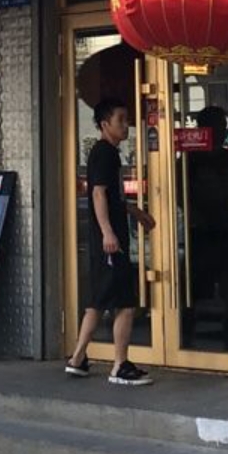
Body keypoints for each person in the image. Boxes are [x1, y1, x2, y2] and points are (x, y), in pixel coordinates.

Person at [65, 97, 157, 386]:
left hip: (108, 239)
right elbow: (97, 194)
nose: (126, 125)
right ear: (105, 124)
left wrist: (134, 211)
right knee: (125, 303)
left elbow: (111, 197)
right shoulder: (104, 153)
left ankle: (77, 359)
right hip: (110, 242)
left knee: (98, 301)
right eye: (120, 120)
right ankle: (119, 365)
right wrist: (107, 232)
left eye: (127, 119)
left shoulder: (107, 153)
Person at [187, 105, 228, 349]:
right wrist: (193, 216)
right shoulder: (190, 158)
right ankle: (186, 340)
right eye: (217, 126)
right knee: (194, 289)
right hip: (201, 231)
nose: (222, 131)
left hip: (224, 226)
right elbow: (179, 193)